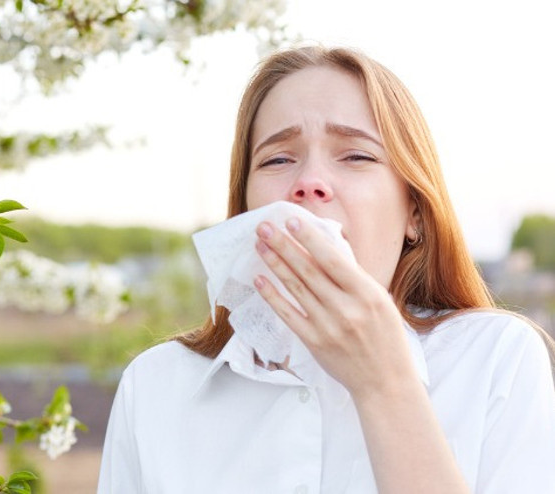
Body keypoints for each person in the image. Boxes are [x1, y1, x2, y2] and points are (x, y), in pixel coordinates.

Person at [97, 45, 555, 493]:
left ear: (414, 212)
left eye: (356, 156)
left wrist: (384, 386)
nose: (309, 183)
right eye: (278, 159)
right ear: (244, 209)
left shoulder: (498, 358)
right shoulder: (155, 385)